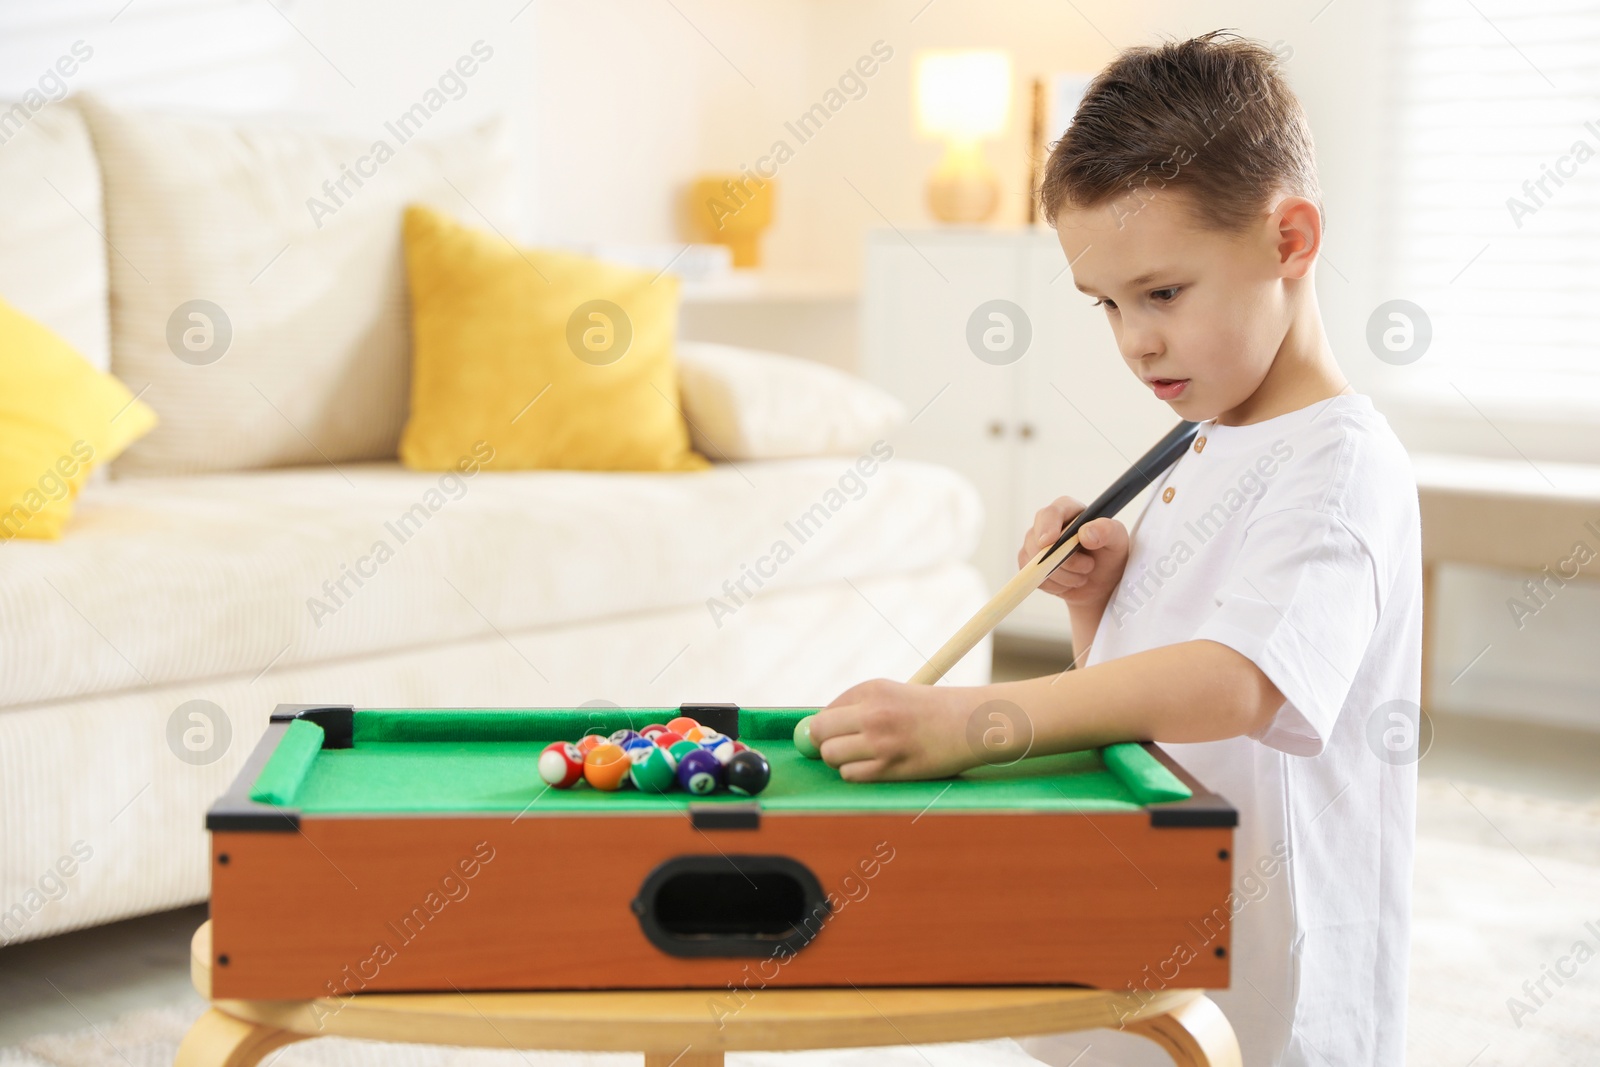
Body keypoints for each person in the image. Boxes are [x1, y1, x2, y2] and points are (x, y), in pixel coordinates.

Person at [810, 30, 1421, 1066]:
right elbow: (1141, 686)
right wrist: (1100, 599)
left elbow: (1237, 684)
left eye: (1163, 293)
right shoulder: (1204, 435)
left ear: (1290, 240)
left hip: (1271, 990)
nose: (1133, 340)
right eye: (1106, 305)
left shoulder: (1336, 461)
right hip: (1153, 930)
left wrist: (977, 717)